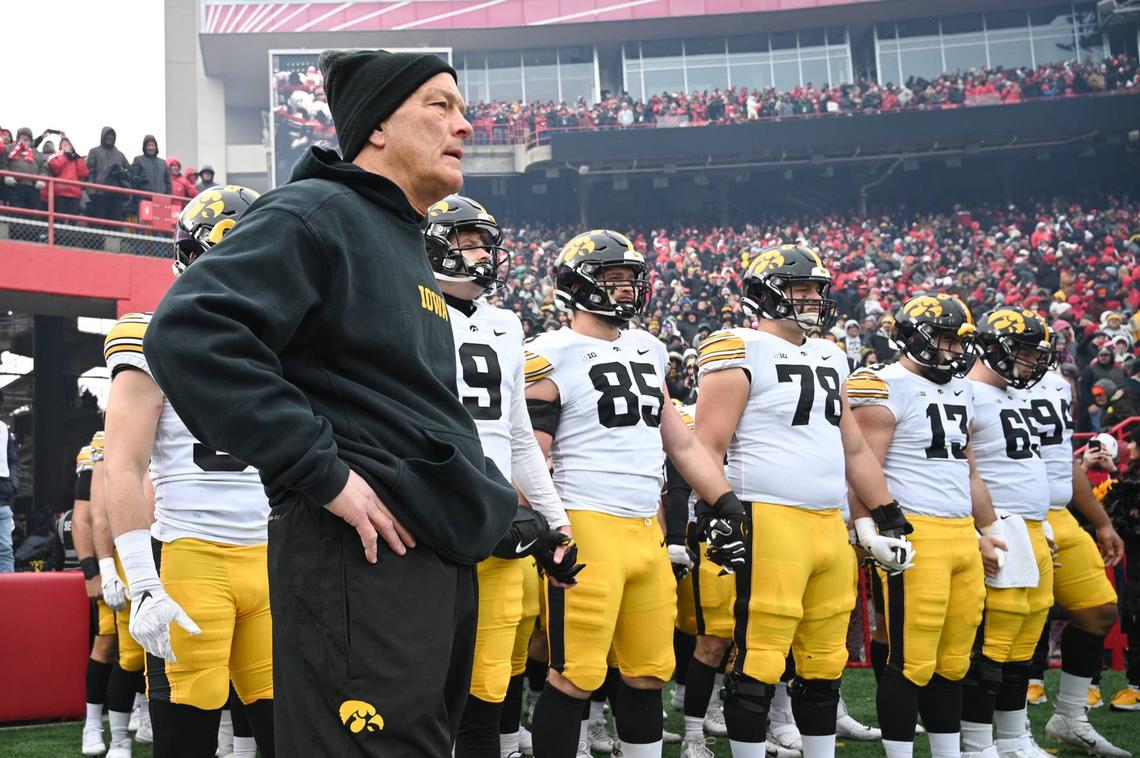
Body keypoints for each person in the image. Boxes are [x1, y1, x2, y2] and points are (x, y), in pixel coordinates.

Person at [143, 48, 518, 758]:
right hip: (359, 553)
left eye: (462, 109)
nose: (464, 125)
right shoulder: (319, 210)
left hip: (426, 553)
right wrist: (324, 472)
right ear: (377, 126)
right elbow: (190, 332)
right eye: (439, 106)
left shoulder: (402, 237)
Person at [525, 229, 747, 758]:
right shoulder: (547, 354)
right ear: (575, 285)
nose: (625, 289)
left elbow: (682, 443)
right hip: (585, 523)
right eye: (611, 279)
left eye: (629, 279)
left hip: (645, 530)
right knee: (575, 674)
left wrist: (726, 502)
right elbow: (531, 453)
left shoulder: (648, 348)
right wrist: (547, 526)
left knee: (649, 671)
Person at [694, 244, 914, 758]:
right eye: (800, 287)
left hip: (826, 523)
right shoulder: (736, 347)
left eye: (817, 287)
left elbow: (853, 445)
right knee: (759, 656)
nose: (813, 296)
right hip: (766, 515)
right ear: (764, 293)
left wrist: (888, 513)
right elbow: (707, 445)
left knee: (824, 658)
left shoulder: (831, 354)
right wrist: (716, 513)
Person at [103, 187, 276, 758]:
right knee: (187, 743)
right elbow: (120, 466)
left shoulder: (287, 335)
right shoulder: (150, 335)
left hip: (275, 559)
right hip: (190, 558)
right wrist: (142, 582)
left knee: (290, 738)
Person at [424, 194, 580, 758]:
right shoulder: (404, 309)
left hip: (493, 523)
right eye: (467, 240)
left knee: (488, 687)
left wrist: (557, 525)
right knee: (421, 688)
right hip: (427, 525)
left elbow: (518, 438)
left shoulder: (507, 325)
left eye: (485, 241)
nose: (482, 253)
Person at [846, 294, 1006, 758]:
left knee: (954, 662)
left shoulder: (962, 389)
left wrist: (987, 530)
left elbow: (969, 469)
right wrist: (868, 528)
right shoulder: (884, 385)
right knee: (910, 660)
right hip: (915, 533)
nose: (955, 352)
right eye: (944, 341)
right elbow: (861, 468)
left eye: (959, 342)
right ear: (914, 339)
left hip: (959, 534)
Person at [961, 308, 1056, 758]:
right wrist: (984, 527)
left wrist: (1046, 522)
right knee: (994, 645)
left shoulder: (1013, 395)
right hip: (1003, 527)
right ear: (996, 348)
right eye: (1023, 351)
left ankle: (1014, 737)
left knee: (1025, 644)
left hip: (1034, 528)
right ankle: (978, 742)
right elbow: (963, 469)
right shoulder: (965, 394)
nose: (1031, 362)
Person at [1023, 362, 1129, 757]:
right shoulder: (977, 387)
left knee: (1099, 609)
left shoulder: (1054, 386)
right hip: (1008, 512)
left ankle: (1069, 715)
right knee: (1012, 628)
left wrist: (1102, 522)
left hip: (1056, 512)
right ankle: (997, 735)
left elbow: (1062, 461)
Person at [87, 430, 150, 758]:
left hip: (175, 546)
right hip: (132, 553)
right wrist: (105, 568)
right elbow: (98, 514)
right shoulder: (108, 440)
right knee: (129, 653)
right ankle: (117, 738)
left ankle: (149, 716)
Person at [86, 126, 130, 221]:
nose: (109, 137)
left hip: (116, 193)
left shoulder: (120, 155)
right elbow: (89, 173)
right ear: (103, 136)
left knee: (115, 221)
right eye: (107, 135)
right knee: (99, 221)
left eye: (112, 135)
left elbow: (129, 173)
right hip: (99, 193)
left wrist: (121, 173)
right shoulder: (94, 152)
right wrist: (91, 191)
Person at [4, 127, 48, 210]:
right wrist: (7, 175)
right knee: (17, 212)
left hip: (33, 187)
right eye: (22, 135)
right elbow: (3, 163)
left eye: (28, 136)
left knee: (34, 213)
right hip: (15, 185)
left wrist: (42, 178)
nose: (25, 137)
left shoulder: (36, 153)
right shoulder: (10, 148)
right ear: (18, 138)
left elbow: (44, 167)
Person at [48, 136, 90, 216]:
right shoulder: (56, 156)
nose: (65, 145)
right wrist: (65, 157)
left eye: (67, 144)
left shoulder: (77, 158)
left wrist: (77, 158)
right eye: (63, 144)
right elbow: (55, 167)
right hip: (60, 191)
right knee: (59, 219)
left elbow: (84, 173)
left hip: (74, 193)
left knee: (72, 220)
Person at [0, 390, 18, 572]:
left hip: (2, 499)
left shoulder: (2, 429)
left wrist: (13, 485)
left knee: (5, 549)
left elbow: (12, 460)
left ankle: (6, 596)